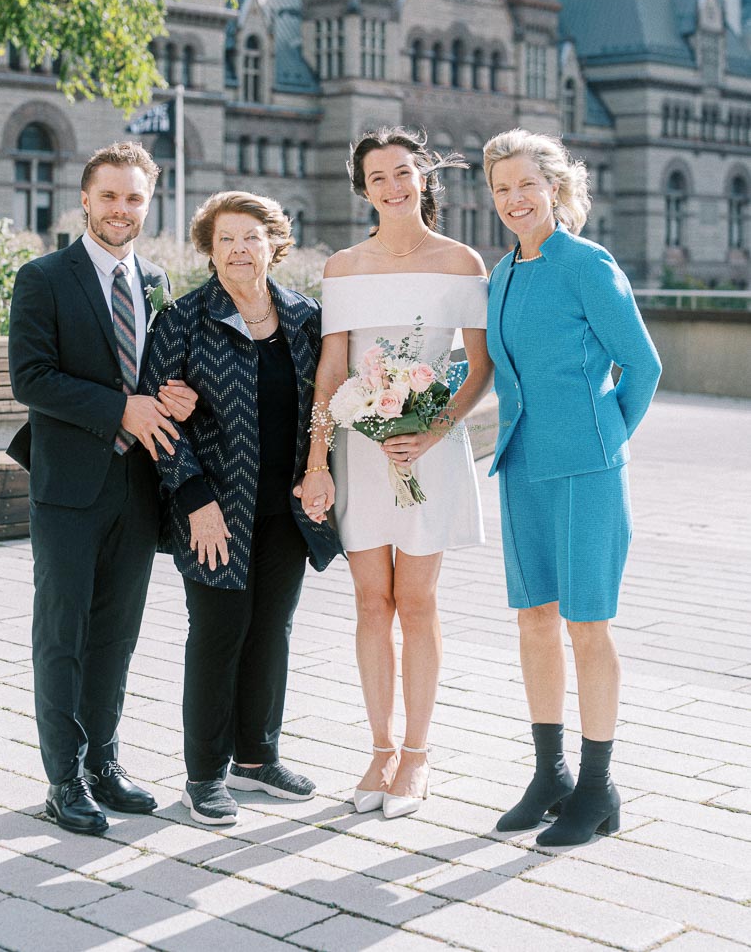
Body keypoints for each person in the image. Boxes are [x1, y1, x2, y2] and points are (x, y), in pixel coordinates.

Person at [299, 128, 493, 818]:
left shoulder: (460, 261)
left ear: (423, 178)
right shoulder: (344, 268)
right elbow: (331, 372)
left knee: (417, 602)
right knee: (369, 603)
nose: (392, 185)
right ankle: (379, 749)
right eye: (377, 176)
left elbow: (478, 366)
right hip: (359, 450)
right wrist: (317, 461)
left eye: (403, 172)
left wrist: (434, 429)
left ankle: (417, 756)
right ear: (364, 188)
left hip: (429, 452)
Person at [7, 141, 197, 835]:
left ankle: (104, 763)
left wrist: (175, 395)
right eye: (110, 196)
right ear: (85, 199)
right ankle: (63, 778)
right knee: (63, 634)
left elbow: (159, 374)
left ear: (149, 204)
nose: (122, 209)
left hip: (138, 486)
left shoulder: (156, 280)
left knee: (117, 635)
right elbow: (31, 379)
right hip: (68, 489)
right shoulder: (44, 277)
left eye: (135, 198)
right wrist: (120, 408)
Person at [140, 190, 342, 826]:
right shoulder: (182, 320)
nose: (238, 250)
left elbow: (326, 402)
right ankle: (203, 776)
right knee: (219, 633)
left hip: (287, 507)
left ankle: (256, 759)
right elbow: (157, 422)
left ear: (273, 245)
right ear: (209, 249)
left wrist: (321, 472)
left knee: (271, 630)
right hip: (215, 507)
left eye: (250, 237)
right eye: (225, 239)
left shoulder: (305, 317)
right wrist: (194, 498)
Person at [483, 128, 661, 848]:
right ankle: (549, 772)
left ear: (555, 188)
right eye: (501, 188)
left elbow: (642, 367)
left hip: (586, 473)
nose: (514, 199)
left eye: (527, 184)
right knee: (533, 622)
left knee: (587, 625)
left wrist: (604, 441)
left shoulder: (588, 264)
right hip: (520, 469)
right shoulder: (502, 274)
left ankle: (598, 785)